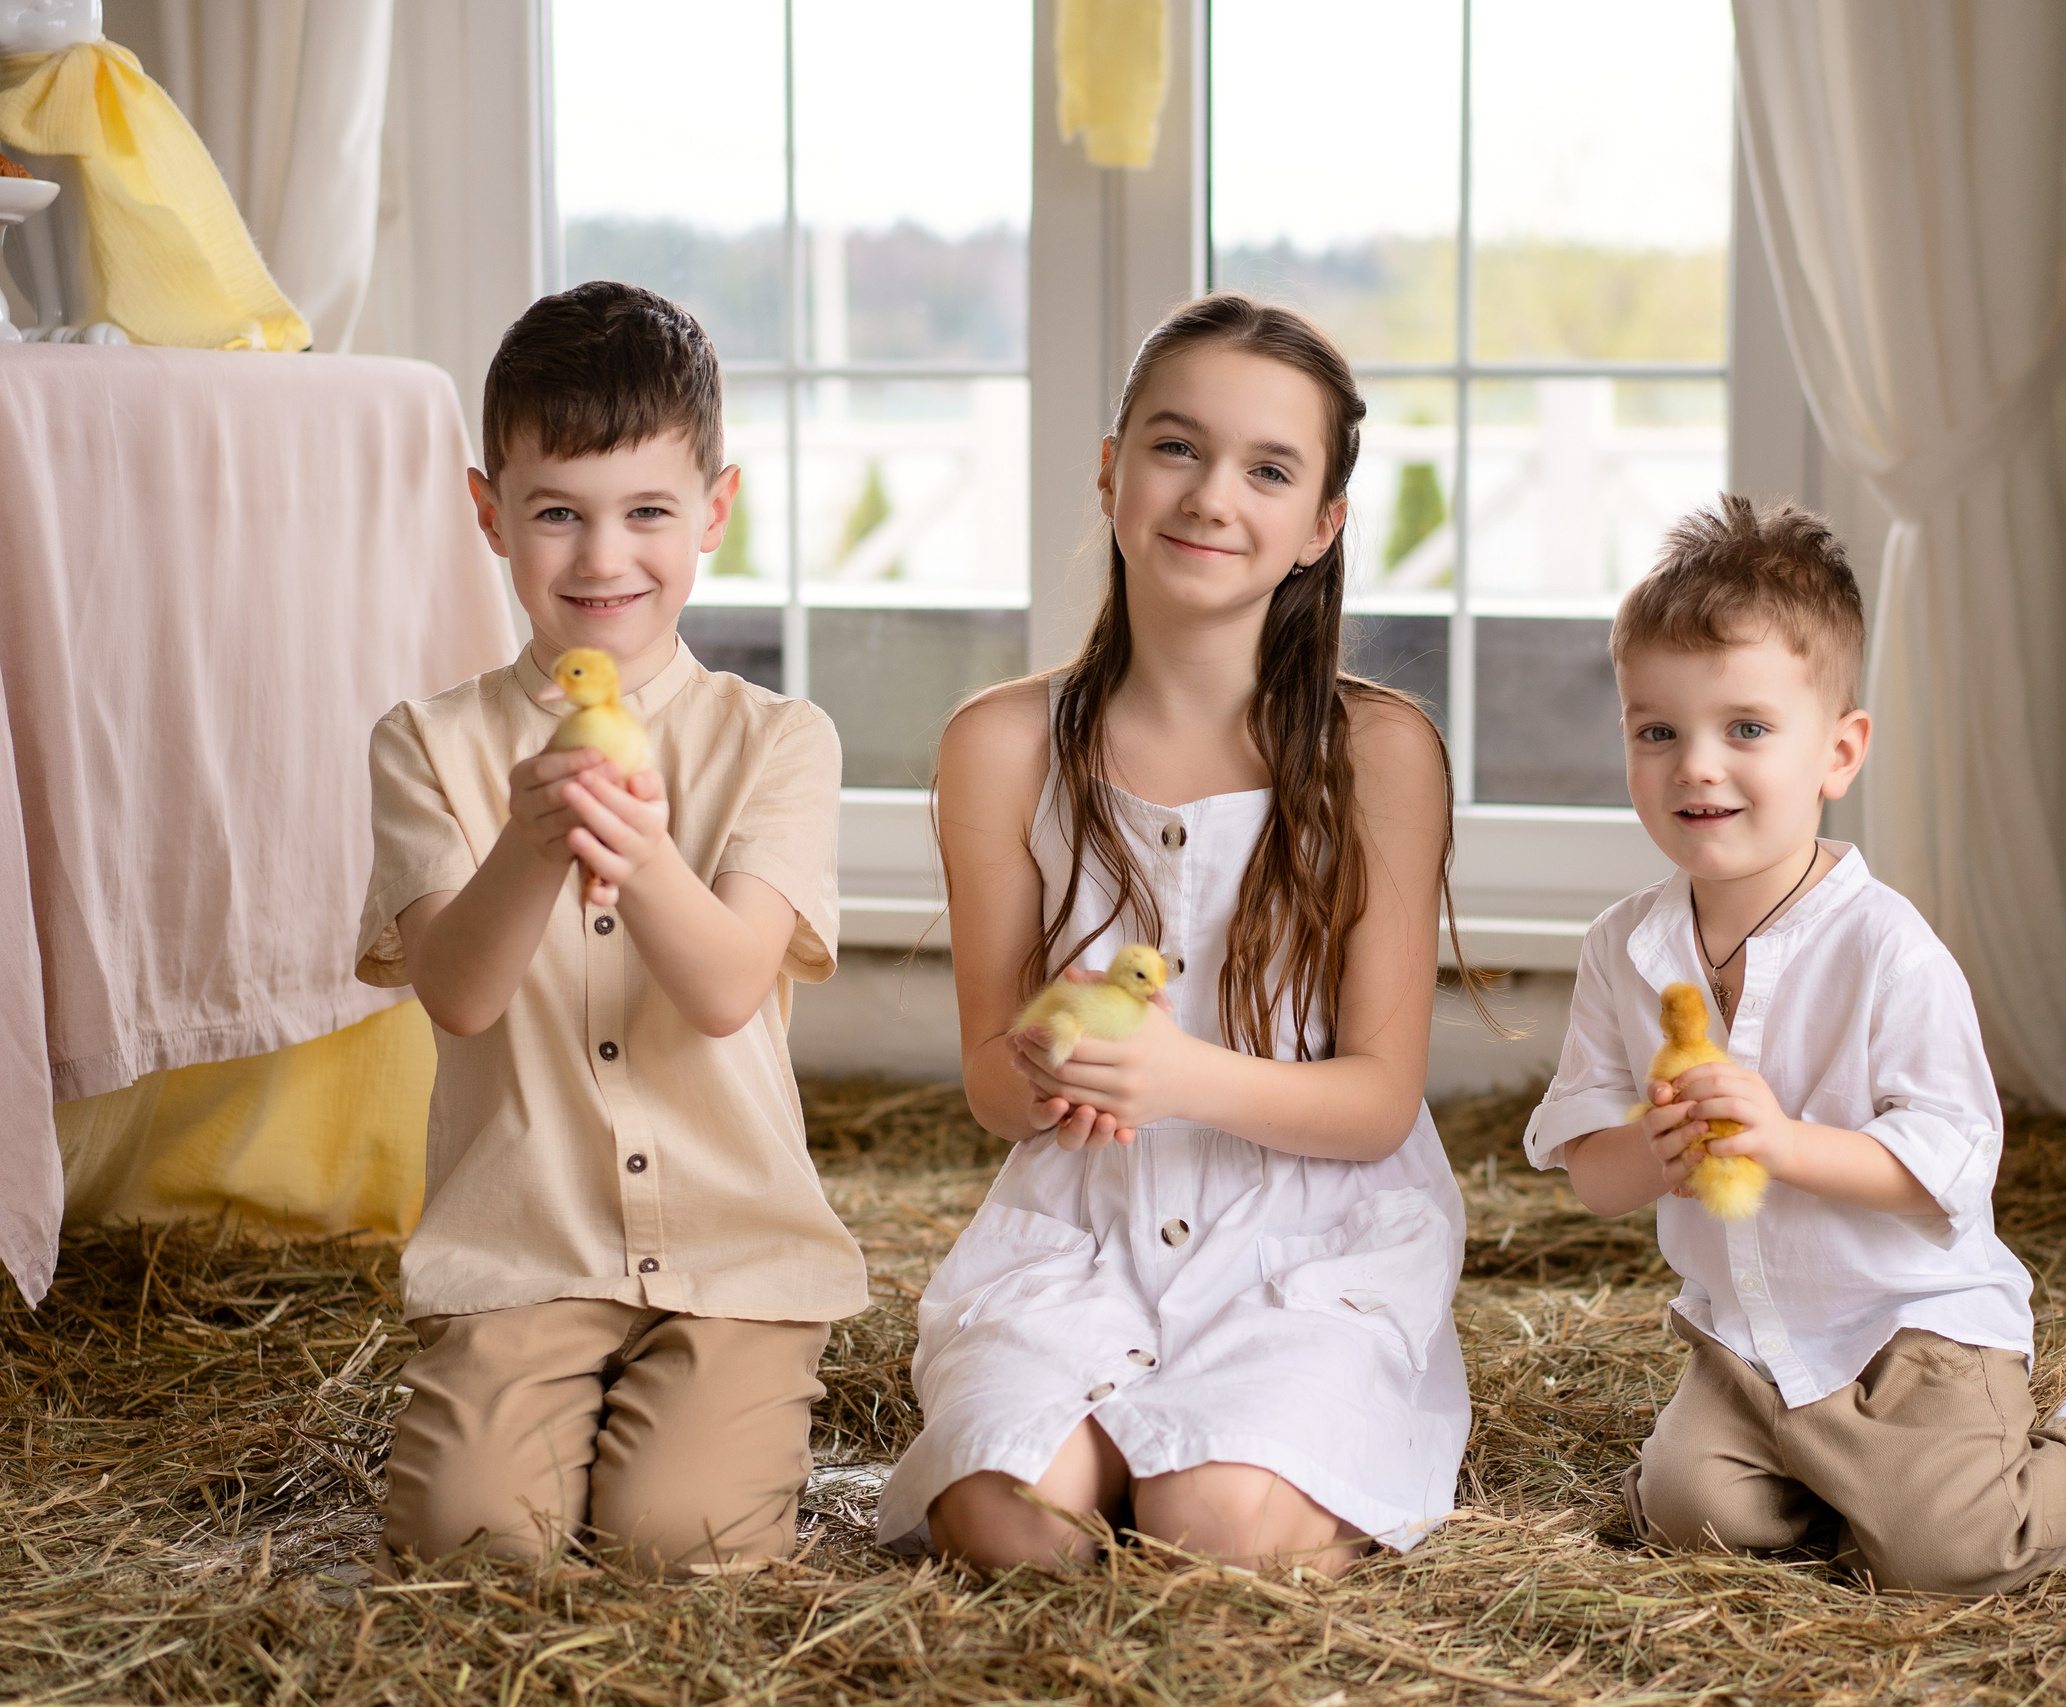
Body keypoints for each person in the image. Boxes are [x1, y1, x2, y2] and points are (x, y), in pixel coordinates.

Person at [875, 294, 1469, 1576]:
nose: (1211, 495)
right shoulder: (1000, 746)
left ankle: (1239, 1457)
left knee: (1216, 1533)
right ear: (1110, 471)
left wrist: (1180, 1076)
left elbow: (1375, 1104)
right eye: (1175, 446)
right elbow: (991, 1082)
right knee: (1006, 1530)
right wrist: (1046, 1064)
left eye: (1268, 469)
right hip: (1082, 1230)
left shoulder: (1379, 753)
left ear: (1320, 527)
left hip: (1306, 1238)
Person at [1525, 495, 2066, 1596]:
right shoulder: (1622, 950)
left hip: (1906, 1333)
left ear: (1839, 752)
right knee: (1685, 1516)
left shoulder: (1888, 949)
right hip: (1746, 1341)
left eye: (1745, 729)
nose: (1696, 765)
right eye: (1658, 731)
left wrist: (1781, 1140)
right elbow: (1596, 1176)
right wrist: (1667, 1145)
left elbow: (1951, 1161)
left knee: (1951, 1559)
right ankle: (1846, 1481)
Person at [354, 282, 867, 1576]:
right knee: (472, 1540)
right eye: (557, 515)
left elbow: (725, 985)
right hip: (525, 1248)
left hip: (735, 1250)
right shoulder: (429, 745)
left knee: (673, 1539)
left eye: (647, 512)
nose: (602, 559)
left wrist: (636, 854)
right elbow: (459, 995)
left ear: (714, 510)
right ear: (490, 513)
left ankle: (713, 1417)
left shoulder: (778, 743)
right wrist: (535, 844)